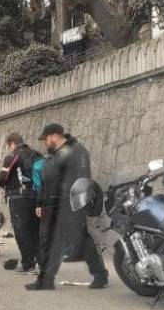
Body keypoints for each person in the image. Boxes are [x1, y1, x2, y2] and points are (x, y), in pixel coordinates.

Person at [27, 123, 108, 291]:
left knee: (82, 240)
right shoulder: (54, 155)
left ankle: (100, 275)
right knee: (49, 243)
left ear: (54, 136)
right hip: (51, 205)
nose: (45, 143)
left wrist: (78, 204)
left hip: (69, 205)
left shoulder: (77, 152)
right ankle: (45, 280)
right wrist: (41, 202)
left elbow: (84, 180)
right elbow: (47, 181)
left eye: (46, 139)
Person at [0, 132, 41, 274]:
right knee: (36, 230)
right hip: (37, 198)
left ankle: (27, 264)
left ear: (11, 143)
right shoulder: (37, 154)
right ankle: (42, 263)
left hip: (19, 199)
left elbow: (2, 178)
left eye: (9, 146)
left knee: (22, 231)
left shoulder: (12, 156)